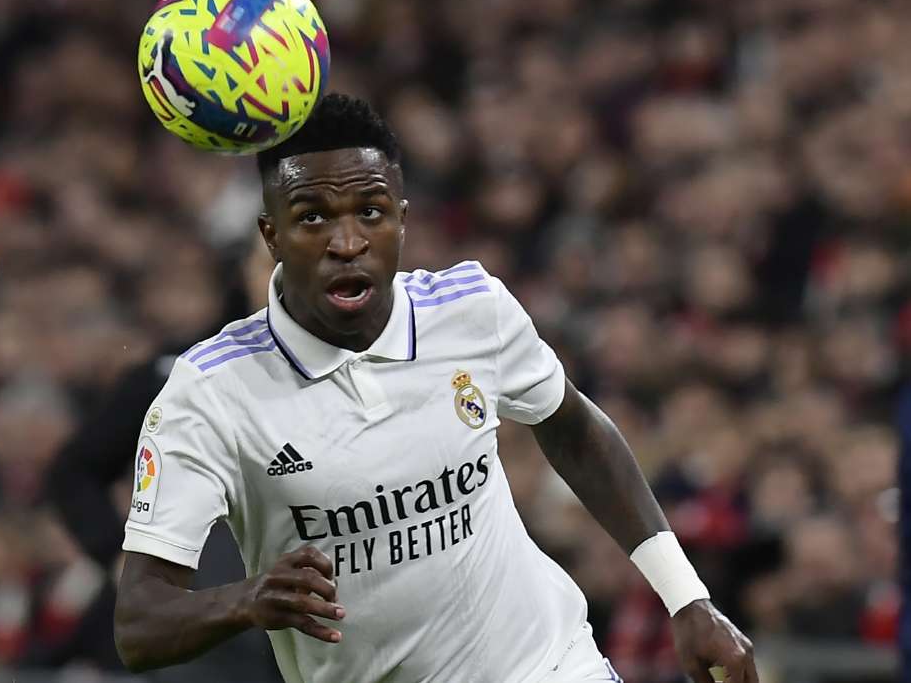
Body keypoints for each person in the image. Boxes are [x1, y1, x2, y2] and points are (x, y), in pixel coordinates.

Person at [112, 94, 757, 683]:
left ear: (402, 217)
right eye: (312, 218)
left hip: (550, 665)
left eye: (371, 211)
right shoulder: (211, 391)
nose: (347, 242)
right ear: (271, 236)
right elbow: (139, 626)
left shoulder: (471, 310)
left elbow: (576, 431)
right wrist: (244, 601)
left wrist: (686, 596)